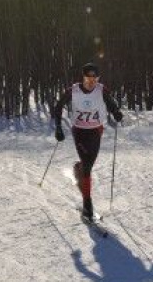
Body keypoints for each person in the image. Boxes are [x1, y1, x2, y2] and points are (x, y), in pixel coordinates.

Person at [53, 63, 123, 222]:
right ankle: (87, 203)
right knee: (88, 166)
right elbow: (58, 107)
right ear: (83, 77)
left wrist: (117, 112)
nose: (92, 81)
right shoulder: (73, 91)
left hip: (96, 131)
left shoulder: (101, 90)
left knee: (88, 163)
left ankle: (79, 169)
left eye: (95, 78)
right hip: (79, 131)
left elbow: (111, 104)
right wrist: (58, 128)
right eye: (88, 78)